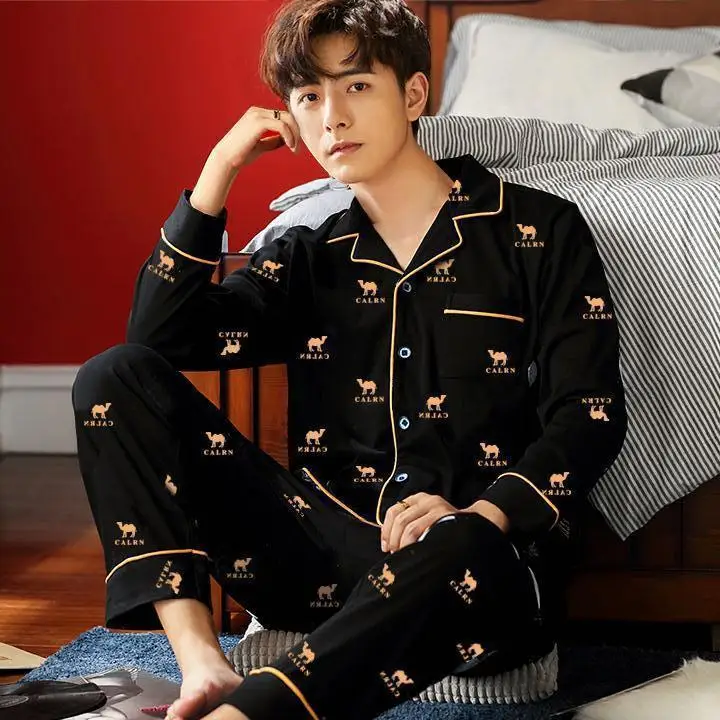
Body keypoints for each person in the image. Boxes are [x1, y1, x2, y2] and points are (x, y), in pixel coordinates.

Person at [71, 1, 627, 719]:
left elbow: (589, 414)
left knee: (466, 546)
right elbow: (158, 338)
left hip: (471, 567)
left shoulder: (539, 229)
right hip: (320, 558)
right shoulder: (308, 256)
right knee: (110, 376)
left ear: (414, 94)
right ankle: (203, 664)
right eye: (309, 97)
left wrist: (485, 513)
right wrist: (219, 170)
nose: (332, 117)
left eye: (357, 86)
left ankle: (253, 713)